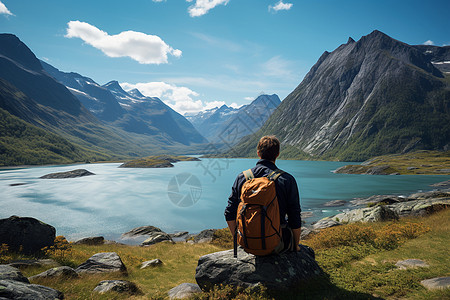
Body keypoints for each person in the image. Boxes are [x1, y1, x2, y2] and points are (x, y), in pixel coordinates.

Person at [224, 135, 301, 253]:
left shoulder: (242, 178)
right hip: (277, 244)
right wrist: (295, 246)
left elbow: (229, 212)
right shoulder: (286, 179)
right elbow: (294, 215)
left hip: (247, 243)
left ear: (258, 153)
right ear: (277, 154)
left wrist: (240, 239)